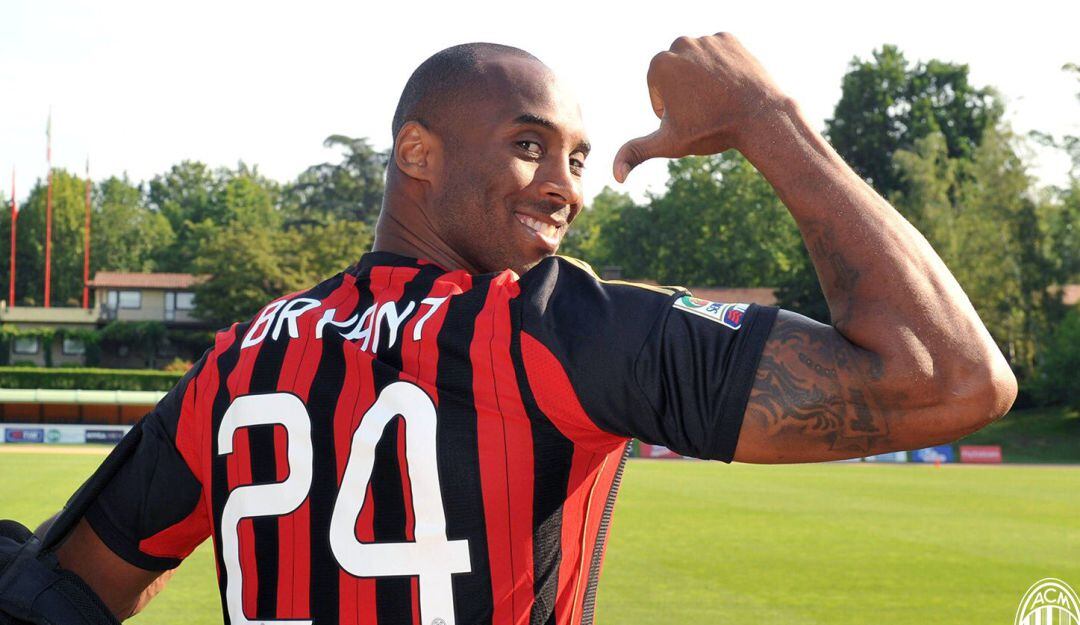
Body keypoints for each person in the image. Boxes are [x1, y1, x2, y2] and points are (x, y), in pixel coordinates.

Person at [36, 33, 1015, 624]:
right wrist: (769, 115)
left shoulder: (241, 358)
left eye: (580, 159)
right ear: (415, 153)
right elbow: (949, 377)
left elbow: (67, 587)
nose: (565, 186)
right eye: (528, 145)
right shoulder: (553, 332)